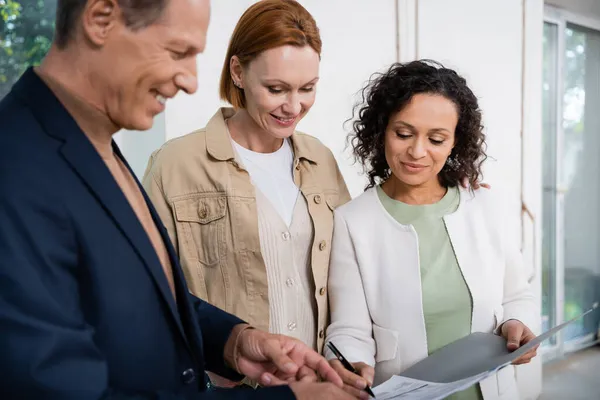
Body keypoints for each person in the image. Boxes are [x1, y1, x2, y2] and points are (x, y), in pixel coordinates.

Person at [0, 0, 352, 398]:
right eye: (178, 52)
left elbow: (146, 297)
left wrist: (232, 340)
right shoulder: (16, 165)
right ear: (100, 19)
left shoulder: (92, 146)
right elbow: (51, 388)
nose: (190, 81)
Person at [142, 0, 350, 369]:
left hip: (316, 386)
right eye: (276, 88)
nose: (293, 106)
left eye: (307, 88)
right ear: (238, 71)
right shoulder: (174, 165)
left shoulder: (321, 162)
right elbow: (151, 293)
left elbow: (353, 271)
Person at [324, 60, 539, 400]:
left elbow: (517, 295)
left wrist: (518, 324)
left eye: (436, 139)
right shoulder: (353, 220)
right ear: (382, 130)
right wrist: (351, 364)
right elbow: (350, 327)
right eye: (404, 134)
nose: (417, 151)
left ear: (455, 142)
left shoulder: (485, 206)